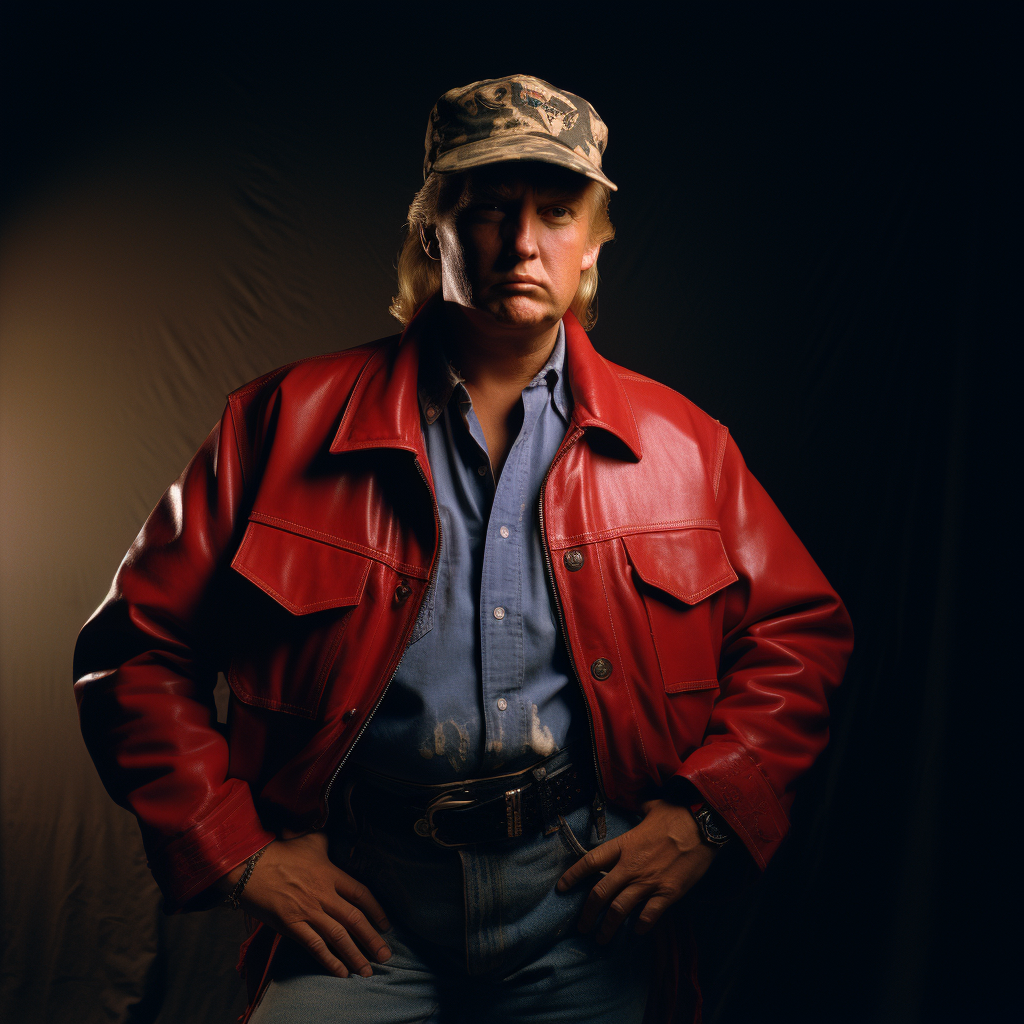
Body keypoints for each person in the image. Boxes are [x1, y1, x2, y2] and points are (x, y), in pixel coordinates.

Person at [74, 75, 853, 1023]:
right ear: (430, 228)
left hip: (582, 911)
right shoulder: (279, 424)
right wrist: (235, 852)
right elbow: (134, 653)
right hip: (366, 912)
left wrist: (707, 816)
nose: (523, 242)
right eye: (487, 210)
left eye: (557, 213)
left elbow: (801, 637)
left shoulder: (684, 446)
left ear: (594, 241)